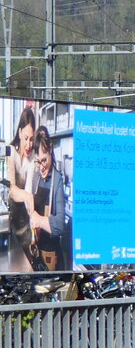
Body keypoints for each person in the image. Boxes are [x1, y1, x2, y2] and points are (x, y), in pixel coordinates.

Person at [28, 126, 69, 273]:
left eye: (44, 160)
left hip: (51, 254)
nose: (41, 167)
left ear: (51, 151)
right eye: (38, 162)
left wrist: (38, 220)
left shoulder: (57, 180)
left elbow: (59, 226)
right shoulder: (36, 177)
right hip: (36, 248)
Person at [5, 106, 38, 272]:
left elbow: (29, 190)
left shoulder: (32, 160)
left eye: (32, 139)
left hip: (25, 229)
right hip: (10, 226)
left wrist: (34, 224)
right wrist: (26, 196)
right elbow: (11, 189)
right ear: (19, 133)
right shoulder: (9, 153)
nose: (29, 144)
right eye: (26, 138)